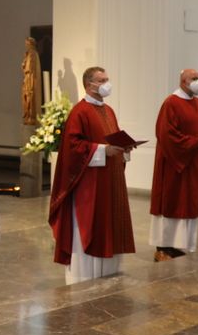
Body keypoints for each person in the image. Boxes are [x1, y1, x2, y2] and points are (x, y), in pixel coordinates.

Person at [49, 66, 136, 283]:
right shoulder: (80, 112)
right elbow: (73, 147)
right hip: (90, 185)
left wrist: (123, 149)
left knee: (110, 223)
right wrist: (103, 150)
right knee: (92, 225)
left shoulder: (109, 111)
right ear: (89, 85)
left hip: (111, 181)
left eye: (107, 78)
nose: (107, 83)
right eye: (103, 80)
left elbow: (113, 140)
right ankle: (84, 276)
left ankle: (107, 272)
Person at [149, 69, 198, 261]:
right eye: (195, 79)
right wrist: (194, 142)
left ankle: (179, 245)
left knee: (189, 204)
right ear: (184, 81)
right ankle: (163, 248)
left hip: (192, 163)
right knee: (171, 203)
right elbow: (166, 135)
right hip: (174, 164)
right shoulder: (171, 103)